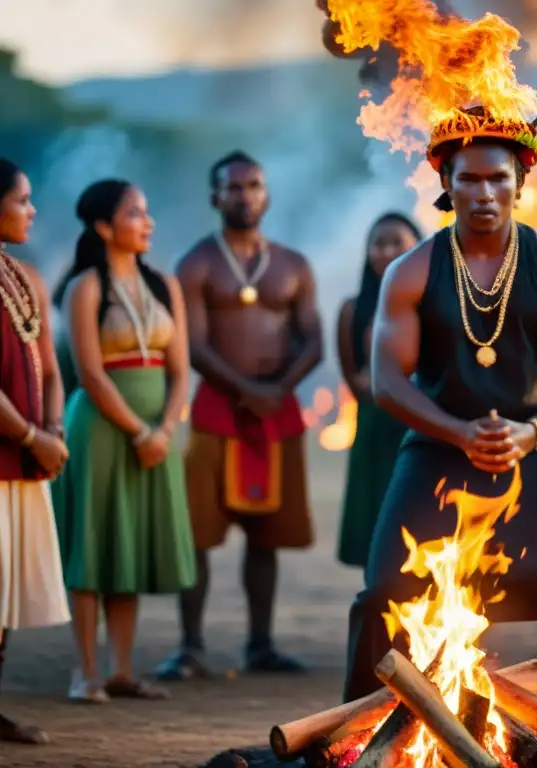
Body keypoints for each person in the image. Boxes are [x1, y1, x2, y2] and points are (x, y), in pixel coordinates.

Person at [343, 107, 537, 760]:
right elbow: (387, 382)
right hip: (438, 445)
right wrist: (459, 433)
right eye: (470, 180)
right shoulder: (411, 270)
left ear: (521, 183)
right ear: (446, 184)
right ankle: (351, 744)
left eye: (497, 179)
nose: (484, 193)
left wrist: (536, 430)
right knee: (381, 592)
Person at [156, 151, 323, 680]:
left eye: (253, 185)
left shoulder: (293, 264)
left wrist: (277, 390)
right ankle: (190, 647)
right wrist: (250, 389)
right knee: (199, 533)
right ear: (214, 197)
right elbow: (194, 344)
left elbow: (314, 340)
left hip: (277, 409)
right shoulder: (197, 263)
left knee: (266, 535)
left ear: (266, 194)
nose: (243, 195)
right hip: (217, 410)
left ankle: (260, 644)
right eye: (232, 187)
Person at [52, 179, 195, 703]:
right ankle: (85, 671)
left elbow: (180, 370)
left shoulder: (165, 286)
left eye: (146, 211)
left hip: (155, 430)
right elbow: (89, 373)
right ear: (104, 226)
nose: (147, 222)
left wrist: (164, 429)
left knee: (129, 543)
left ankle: (122, 671)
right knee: (94, 543)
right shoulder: (84, 287)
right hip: (102, 428)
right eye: (135, 213)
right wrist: (138, 431)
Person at [0, 160, 70, 744]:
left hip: (26, 457)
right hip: (12, 450)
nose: (32, 209)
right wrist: (32, 438)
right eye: (23, 199)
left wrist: (53, 430)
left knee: (3, 588)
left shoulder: (25, 277)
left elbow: (49, 366)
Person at [336, 212, 422, 568]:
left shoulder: (435, 305)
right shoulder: (353, 311)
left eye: (396, 243)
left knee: (422, 521)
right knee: (377, 524)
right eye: (378, 243)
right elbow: (353, 375)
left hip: (423, 425)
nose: (386, 252)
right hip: (374, 425)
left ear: (417, 249)